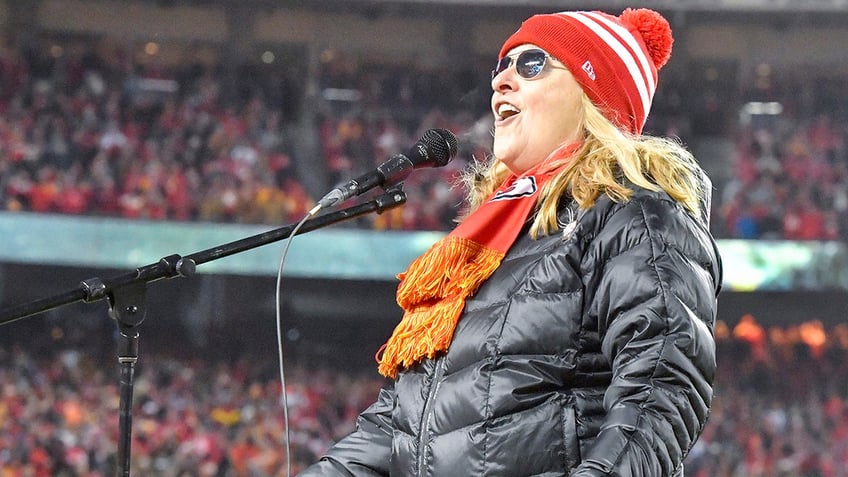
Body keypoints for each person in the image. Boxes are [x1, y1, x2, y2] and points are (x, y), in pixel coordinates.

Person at [298, 8, 722, 476]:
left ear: (593, 92)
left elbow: (660, 387)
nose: (502, 81)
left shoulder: (633, 212)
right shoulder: (489, 242)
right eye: (500, 66)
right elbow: (400, 427)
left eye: (532, 64)